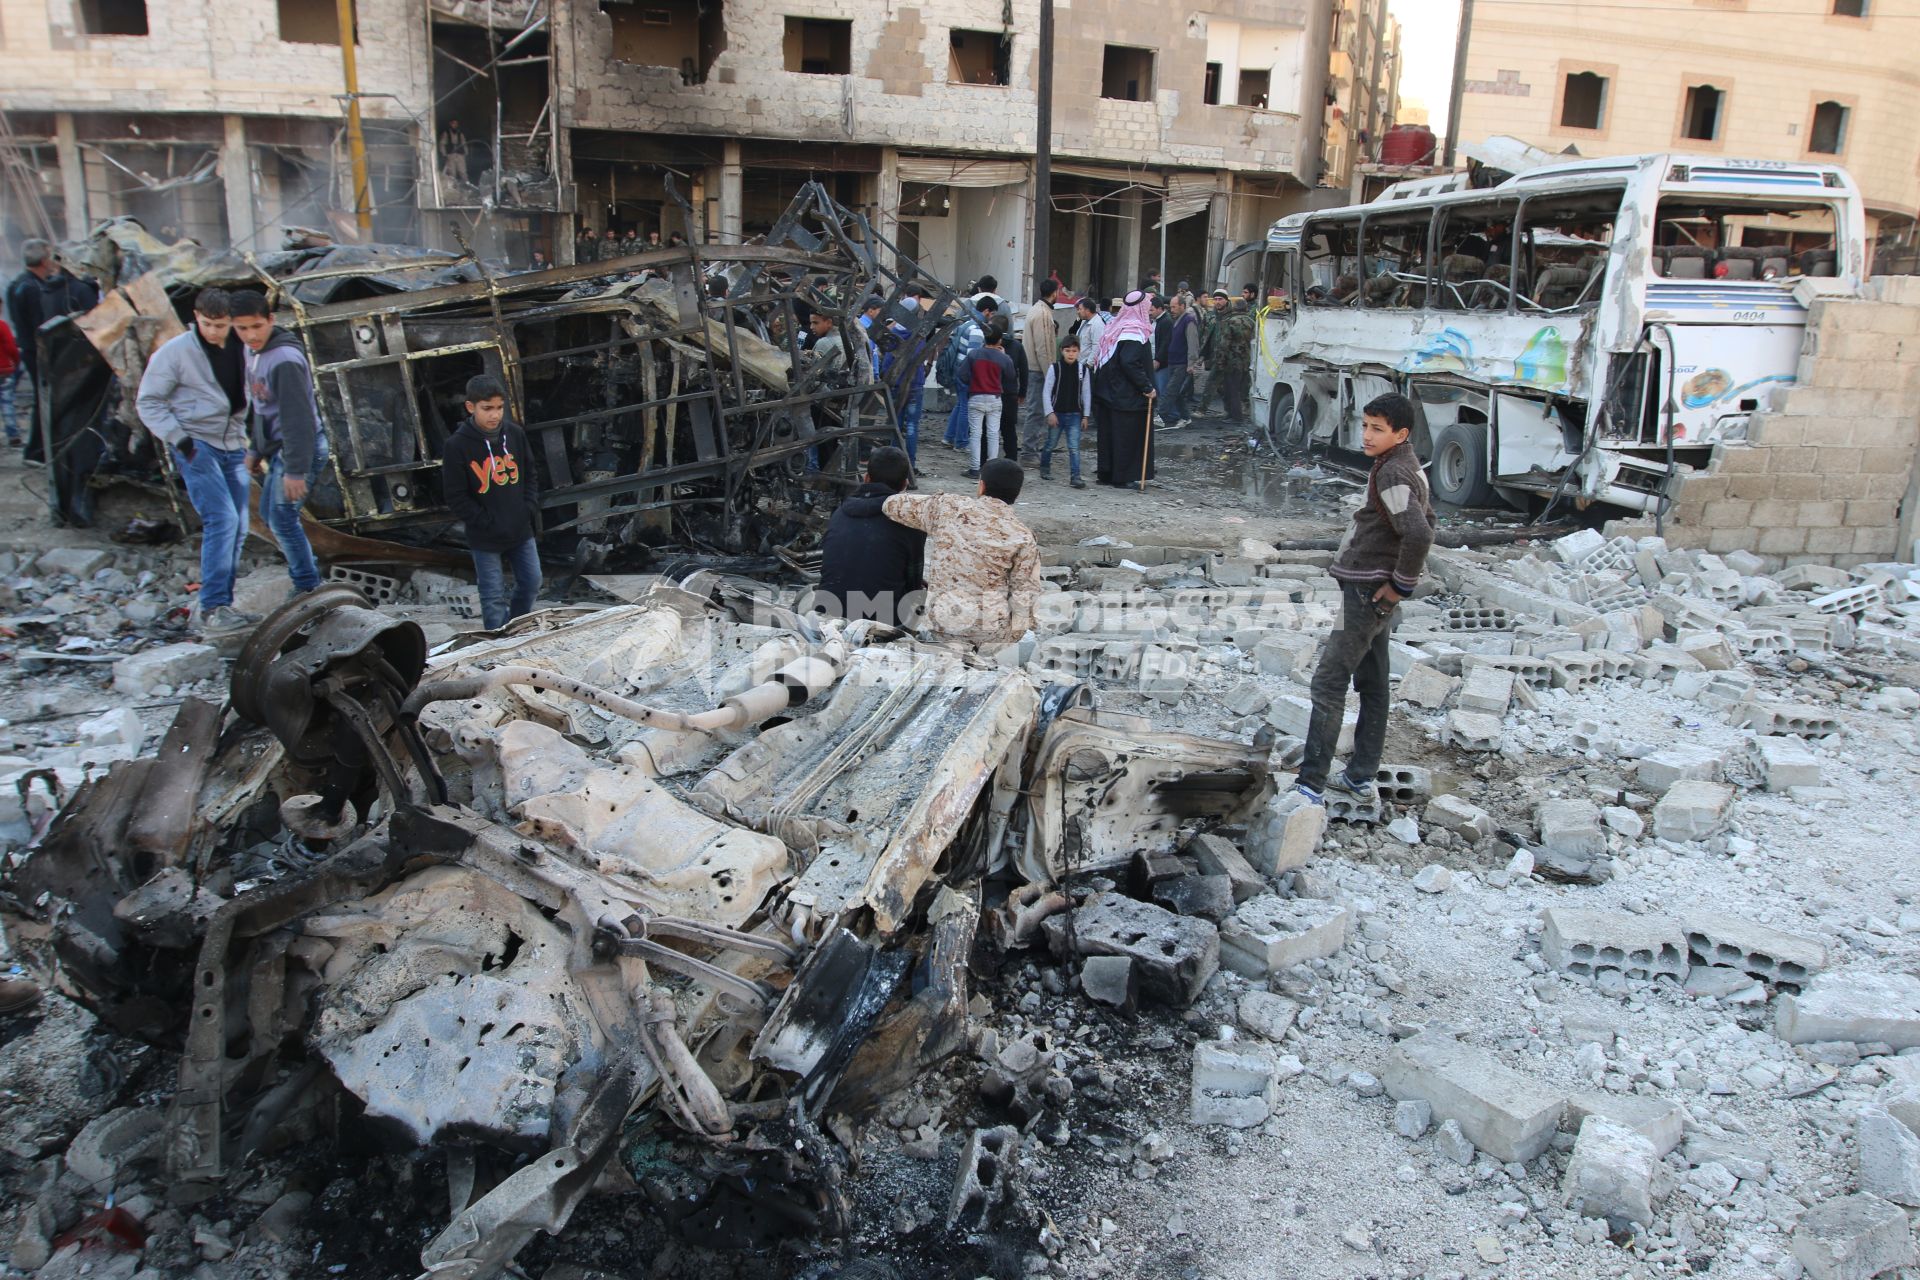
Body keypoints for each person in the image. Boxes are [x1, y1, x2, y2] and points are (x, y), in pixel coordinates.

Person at [1293, 393, 1434, 806]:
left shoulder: (1393, 473)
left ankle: (1309, 784)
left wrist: (1399, 587)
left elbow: (1419, 532)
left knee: (1329, 681)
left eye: (1377, 428)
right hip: (1375, 589)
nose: (1366, 435)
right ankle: (1360, 775)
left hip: (1368, 591)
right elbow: (1425, 521)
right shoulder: (1407, 465)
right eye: (1366, 425)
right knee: (1373, 682)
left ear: (1400, 434)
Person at [136, 288, 256, 634]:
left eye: (221, 325)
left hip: (233, 444)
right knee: (223, 519)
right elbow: (148, 402)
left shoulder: (241, 346)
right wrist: (182, 441)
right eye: (208, 324)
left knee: (240, 525)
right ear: (195, 317)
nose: (215, 332)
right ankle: (214, 607)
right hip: (196, 444)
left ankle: (223, 605)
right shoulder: (174, 353)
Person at [882, 457, 1041, 651]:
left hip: (940, 626)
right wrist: (1007, 639)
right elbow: (1026, 597)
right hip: (990, 635)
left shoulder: (948, 507)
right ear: (1017, 494)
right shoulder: (1023, 536)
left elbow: (891, 504)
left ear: (981, 486)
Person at [230, 290, 327, 601]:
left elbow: (298, 419)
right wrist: (255, 451)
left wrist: (296, 470)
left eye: (257, 326)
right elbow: (260, 410)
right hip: (279, 450)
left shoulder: (284, 359)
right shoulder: (253, 353)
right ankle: (307, 579)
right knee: (273, 516)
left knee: (282, 518)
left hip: (299, 449)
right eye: (242, 328)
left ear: (271, 320)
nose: (250, 335)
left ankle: (308, 585)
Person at [441, 374, 543, 631]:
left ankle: (516, 628)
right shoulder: (456, 446)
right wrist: (484, 521)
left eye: (499, 408)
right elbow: (455, 496)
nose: (495, 415)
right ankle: (497, 645)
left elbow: (530, 474)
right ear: (470, 407)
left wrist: (528, 508)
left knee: (532, 582)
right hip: (484, 536)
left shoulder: (515, 435)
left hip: (520, 529)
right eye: (487, 409)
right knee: (492, 597)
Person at [814, 445, 925, 628]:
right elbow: (913, 584)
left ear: (866, 478)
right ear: (905, 485)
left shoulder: (840, 513)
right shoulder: (910, 521)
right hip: (882, 620)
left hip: (828, 611)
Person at [8, 239, 99, 458]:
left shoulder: (23, 283)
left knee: (45, 400)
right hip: (38, 351)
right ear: (43, 260)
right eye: (50, 256)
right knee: (46, 401)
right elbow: (41, 323)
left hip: (34, 349)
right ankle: (38, 450)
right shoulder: (30, 287)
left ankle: (40, 449)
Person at [1091, 290, 1155, 489]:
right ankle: (1121, 477)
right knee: (1125, 437)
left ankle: (1107, 473)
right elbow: (1129, 362)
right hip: (1126, 396)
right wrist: (1147, 387)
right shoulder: (1133, 332)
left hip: (1109, 392)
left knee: (1109, 435)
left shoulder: (1116, 327)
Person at [958, 323, 1016, 479]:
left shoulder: (974, 355)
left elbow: (962, 374)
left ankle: (974, 468)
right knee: (993, 434)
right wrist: (1006, 356)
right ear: (999, 340)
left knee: (976, 434)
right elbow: (1011, 376)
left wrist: (972, 382)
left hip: (976, 396)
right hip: (994, 398)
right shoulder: (1003, 358)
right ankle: (992, 468)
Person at [939, 297, 995, 450]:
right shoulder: (977, 330)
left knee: (960, 405)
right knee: (966, 407)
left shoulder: (966, 323)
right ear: (986, 311)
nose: (992, 318)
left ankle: (949, 438)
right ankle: (961, 442)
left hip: (957, 370)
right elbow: (973, 357)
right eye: (992, 314)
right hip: (966, 374)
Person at [1040, 333, 1089, 488]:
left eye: (1074, 351)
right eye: (1068, 350)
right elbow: (1046, 392)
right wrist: (1050, 413)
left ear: (1079, 352)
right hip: (1057, 413)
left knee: (1074, 447)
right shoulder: (1055, 368)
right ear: (1062, 351)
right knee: (1050, 444)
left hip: (1075, 414)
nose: (1071, 354)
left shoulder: (1083, 370)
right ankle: (1045, 467)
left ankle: (1075, 476)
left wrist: (1086, 415)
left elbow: (1086, 393)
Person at [1020, 279, 1058, 462]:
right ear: (1054, 293)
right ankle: (1028, 452)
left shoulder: (1038, 310)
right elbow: (1043, 349)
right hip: (1038, 370)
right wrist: (1051, 374)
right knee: (1036, 411)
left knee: (1036, 410)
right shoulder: (1043, 314)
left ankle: (1032, 448)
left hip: (1035, 368)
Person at [1160, 294, 1197, 431]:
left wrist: (1191, 363)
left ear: (1182, 306)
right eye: (1171, 307)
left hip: (1182, 363)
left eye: (1174, 307)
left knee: (1171, 391)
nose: (1172, 310)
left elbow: (1193, 344)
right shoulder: (1176, 320)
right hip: (1173, 361)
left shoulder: (1189, 321)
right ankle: (1186, 418)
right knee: (1177, 393)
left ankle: (1159, 415)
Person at [1218, 297, 1256, 426]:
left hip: (1232, 360)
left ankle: (1235, 416)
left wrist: (1220, 360)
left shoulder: (1230, 322)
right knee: (1242, 389)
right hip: (1246, 360)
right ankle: (1241, 414)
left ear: (1234, 308)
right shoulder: (1252, 322)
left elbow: (1224, 343)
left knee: (1231, 390)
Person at [1192, 290, 1229, 418]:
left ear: (1226, 300)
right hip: (1212, 354)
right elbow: (1202, 333)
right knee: (1221, 384)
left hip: (1226, 356)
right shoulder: (1210, 316)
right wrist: (1201, 354)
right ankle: (1230, 409)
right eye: (1216, 299)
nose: (1218, 302)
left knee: (1212, 381)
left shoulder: (1231, 317)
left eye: (1220, 299)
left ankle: (1201, 409)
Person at [997, 318, 1028, 463]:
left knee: (988, 429)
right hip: (1010, 392)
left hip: (992, 391)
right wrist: (1022, 392)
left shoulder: (989, 345)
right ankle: (1012, 458)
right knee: (1009, 428)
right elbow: (1023, 370)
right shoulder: (1017, 346)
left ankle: (987, 459)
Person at [1149, 295, 1172, 406]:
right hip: (1153, 360)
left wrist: (1158, 359)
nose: (1150, 312)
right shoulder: (1154, 321)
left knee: (1161, 388)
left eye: (1152, 310)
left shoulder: (1166, 322)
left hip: (1162, 363)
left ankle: (1165, 414)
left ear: (1160, 309)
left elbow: (1165, 343)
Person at [0, 312, 16, 446]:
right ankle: (13, 434)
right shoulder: (2, 325)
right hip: (4, 370)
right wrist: (15, 362)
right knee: (7, 404)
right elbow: (11, 347)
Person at [440, 119, 469, 185]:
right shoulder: (446, 133)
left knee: (463, 171)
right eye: (453, 123)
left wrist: (466, 153)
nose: (455, 125)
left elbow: (464, 143)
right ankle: (453, 188)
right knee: (452, 172)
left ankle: (466, 185)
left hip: (460, 155)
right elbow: (442, 144)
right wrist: (444, 154)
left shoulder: (460, 133)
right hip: (451, 155)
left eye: (456, 124)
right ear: (450, 124)